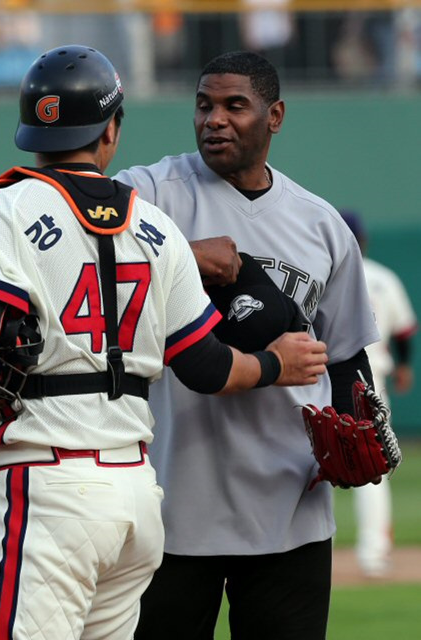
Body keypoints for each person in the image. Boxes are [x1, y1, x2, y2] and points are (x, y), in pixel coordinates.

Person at [0, 45, 328, 640]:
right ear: (111, 130)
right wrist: (272, 364)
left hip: (50, 486)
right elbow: (208, 366)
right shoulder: (155, 226)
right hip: (136, 496)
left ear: (30, 129)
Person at [114, 50, 380, 640]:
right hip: (170, 504)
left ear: (275, 115)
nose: (215, 119)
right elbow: (77, 229)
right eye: (204, 104)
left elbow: (345, 356)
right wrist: (180, 254)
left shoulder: (321, 224)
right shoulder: (148, 192)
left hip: (290, 507)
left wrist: (358, 418)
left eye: (235, 105)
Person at [341, 209, 418, 577]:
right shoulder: (383, 278)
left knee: (300, 462)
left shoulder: (324, 274)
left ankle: (284, 549)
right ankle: (373, 556)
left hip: (317, 378)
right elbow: (404, 333)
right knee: (374, 468)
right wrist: (404, 366)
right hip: (371, 383)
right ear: (365, 241)